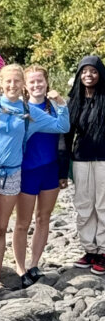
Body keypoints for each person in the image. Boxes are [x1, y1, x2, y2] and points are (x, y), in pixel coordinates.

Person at [0, 64, 69, 295]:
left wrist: (61, 105)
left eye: (17, 81)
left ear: (23, 85)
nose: (12, 85)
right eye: (8, 81)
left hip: (11, 173)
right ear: (1, 83)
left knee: (0, 227)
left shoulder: (28, 112)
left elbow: (62, 126)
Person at [12, 65, 69, 286]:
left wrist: (64, 171)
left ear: (47, 82)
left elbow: (65, 134)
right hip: (27, 169)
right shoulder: (21, 107)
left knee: (43, 218)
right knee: (22, 223)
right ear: (25, 85)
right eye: (32, 82)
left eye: (40, 81)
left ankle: (34, 264)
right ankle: (20, 266)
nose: (37, 85)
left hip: (51, 169)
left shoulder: (56, 106)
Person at [62, 55, 105, 274]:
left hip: (103, 160)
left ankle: (104, 251)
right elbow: (66, 136)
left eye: (94, 71)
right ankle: (90, 250)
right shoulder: (74, 102)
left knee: (103, 205)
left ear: (100, 74)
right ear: (79, 75)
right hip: (80, 158)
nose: (89, 75)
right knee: (84, 205)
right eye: (85, 71)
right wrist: (62, 167)